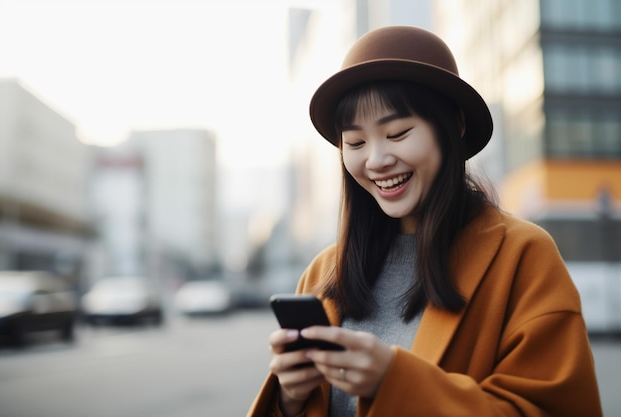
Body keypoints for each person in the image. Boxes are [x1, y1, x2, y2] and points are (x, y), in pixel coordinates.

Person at [247, 25, 602, 417]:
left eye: (397, 133)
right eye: (356, 142)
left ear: (454, 127)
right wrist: (290, 402)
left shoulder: (523, 256)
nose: (376, 160)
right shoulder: (323, 272)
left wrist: (395, 381)